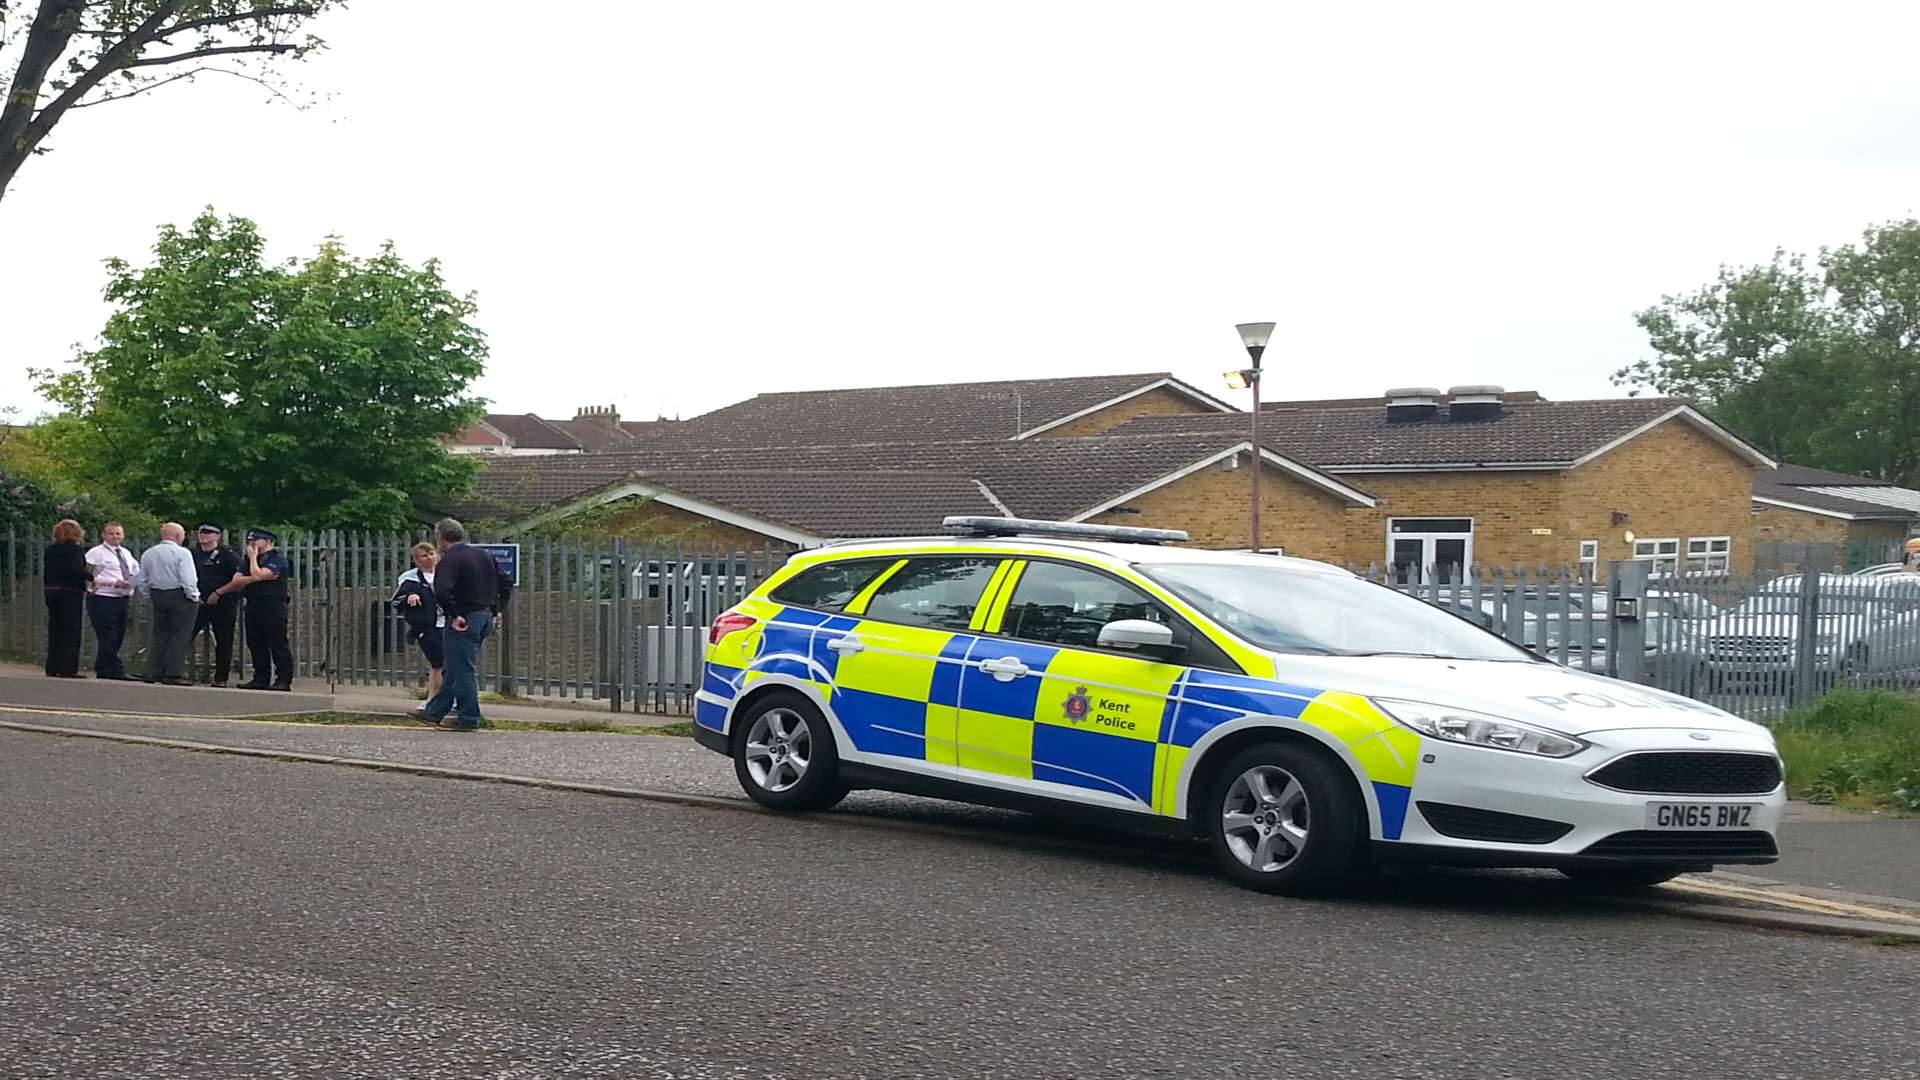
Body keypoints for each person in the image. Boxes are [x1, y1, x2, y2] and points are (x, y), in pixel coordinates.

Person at [408, 518, 502, 731]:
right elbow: (503, 582)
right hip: (484, 616)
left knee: (462, 670)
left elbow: (441, 591)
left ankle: (468, 717)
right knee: (454, 666)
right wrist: (496, 609)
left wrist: (455, 614)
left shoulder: (450, 560)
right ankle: (435, 711)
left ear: (439, 537)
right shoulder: (484, 555)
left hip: (464, 619)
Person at [136, 523, 201, 686]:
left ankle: (152, 671)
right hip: (179, 594)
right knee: (180, 635)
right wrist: (193, 595)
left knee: (160, 634)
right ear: (179, 536)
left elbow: (142, 579)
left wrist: (148, 594)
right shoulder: (182, 553)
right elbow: (188, 578)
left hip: (158, 594)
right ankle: (172, 673)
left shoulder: (149, 553)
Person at [231, 528, 294, 691]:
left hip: (273, 605)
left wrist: (253, 563)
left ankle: (284, 680)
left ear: (268, 541)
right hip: (253, 603)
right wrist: (255, 575)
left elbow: (258, 574)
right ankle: (261, 678)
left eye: (256, 540)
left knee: (277, 643)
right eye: (250, 541)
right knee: (256, 643)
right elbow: (236, 581)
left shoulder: (278, 559)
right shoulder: (247, 561)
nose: (251, 544)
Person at [83, 522, 140, 680]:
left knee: (119, 633)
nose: (115, 537)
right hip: (103, 597)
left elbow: (135, 570)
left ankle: (103, 667)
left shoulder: (126, 553)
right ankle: (115, 669)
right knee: (108, 634)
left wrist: (132, 582)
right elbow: (89, 576)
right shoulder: (96, 553)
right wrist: (114, 582)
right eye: (111, 533)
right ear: (104, 535)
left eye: (118, 534)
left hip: (121, 597)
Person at [391, 541, 446, 701]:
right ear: (416, 560)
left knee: (449, 664)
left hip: (448, 623)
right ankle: (433, 698)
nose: (429, 558)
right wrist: (409, 596)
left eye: (431, 554)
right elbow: (395, 601)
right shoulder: (410, 578)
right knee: (438, 663)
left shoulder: (445, 574)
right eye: (424, 555)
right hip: (427, 626)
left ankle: (444, 698)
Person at [190, 524, 244, 687]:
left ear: (217, 536)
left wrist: (219, 593)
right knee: (185, 636)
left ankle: (221, 678)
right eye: (201, 532)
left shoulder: (228, 555)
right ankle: (173, 671)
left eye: (208, 533)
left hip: (223, 603)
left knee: (224, 641)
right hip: (197, 601)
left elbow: (237, 580)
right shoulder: (192, 553)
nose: (204, 536)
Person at [42, 519, 89, 678]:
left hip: (52, 591)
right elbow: (76, 569)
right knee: (71, 630)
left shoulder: (50, 550)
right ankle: (67, 667)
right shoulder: (75, 550)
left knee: (55, 629)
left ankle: (52, 666)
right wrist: (91, 575)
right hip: (70, 592)